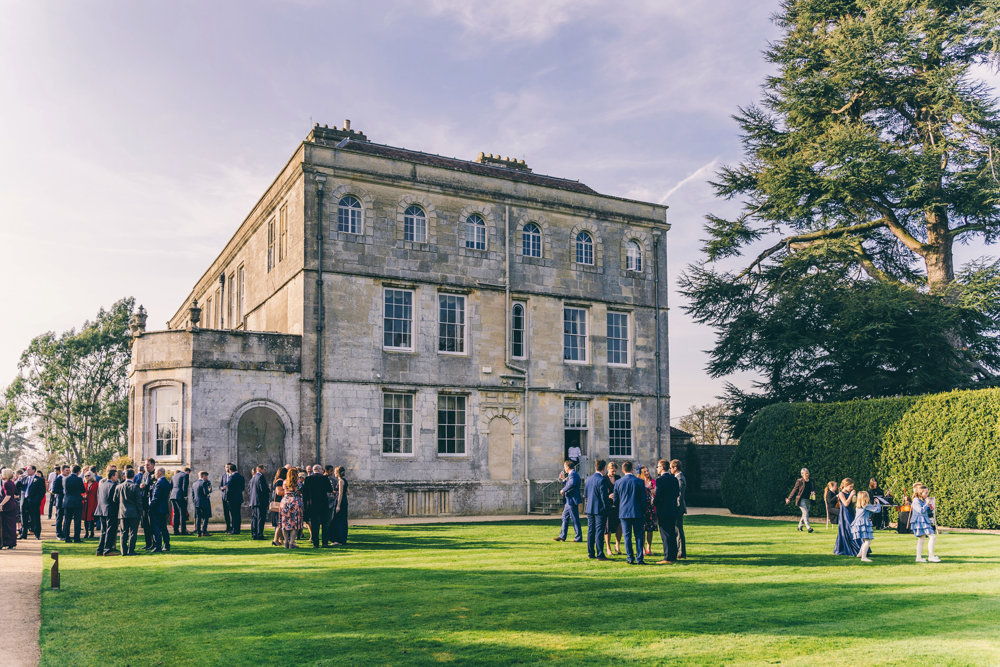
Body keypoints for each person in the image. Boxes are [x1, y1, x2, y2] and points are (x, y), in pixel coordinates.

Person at [613, 461, 648, 565]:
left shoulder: (618, 482)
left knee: (627, 536)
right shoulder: (639, 482)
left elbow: (615, 499)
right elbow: (643, 498)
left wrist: (620, 506)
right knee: (639, 536)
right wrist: (644, 510)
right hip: (637, 511)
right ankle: (639, 558)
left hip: (624, 512)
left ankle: (630, 558)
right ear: (632, 469)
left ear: (623, 470)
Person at [653, 459, 680, 564]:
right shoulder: (674, 479)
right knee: (672, 532)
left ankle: (668, 557)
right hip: (672, 509)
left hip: (663, 510)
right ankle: (673, 555)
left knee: (665, 533)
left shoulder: (660, 480)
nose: (657, 469)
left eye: (658, 467)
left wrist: (653, 501)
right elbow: (677, 493)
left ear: (662, 467)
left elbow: (659, 496)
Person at [583, 459, 610, 560]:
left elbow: (585, 495)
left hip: (589, 508)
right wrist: (607, 508)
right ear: (604, 468)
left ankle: (591, 553)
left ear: (595, 467)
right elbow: (604, 497)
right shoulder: (602, 479)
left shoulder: (588, 479)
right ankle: (600, 554)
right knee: (599, 531)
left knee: (591, 531)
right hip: (599, 509)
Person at [302, 465, 332, 548]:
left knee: (315, 524)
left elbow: (305, 493)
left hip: (313, 504)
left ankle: (315, 543)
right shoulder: (325, 478)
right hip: (323, 503)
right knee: (325, 524)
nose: (323, 470)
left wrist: (306, 505)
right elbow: (329, 489)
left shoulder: (308, 479)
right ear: (319, 470)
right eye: (322, 469)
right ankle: (325, 543)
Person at [910, 482, 940, 563]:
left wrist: (930, 506)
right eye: (925, 493)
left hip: (924, 520)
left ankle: (919, 557)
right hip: (919, 521)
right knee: (931, 537)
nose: (927, 494)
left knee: (922, 539)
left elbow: (927, 511)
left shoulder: (923, 500)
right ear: (920, 492)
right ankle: (930, 556)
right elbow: (920, 511)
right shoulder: (916, 500)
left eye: (927, 493)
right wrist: (926, 504)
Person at [850, 490, 883, 563]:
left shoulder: (859, 506)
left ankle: (860, 554)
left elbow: (869, 512)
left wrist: (873, 505)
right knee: (868, 541)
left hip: (858, 525)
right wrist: (878, 503)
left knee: (866, 540)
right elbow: (877, 510)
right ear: (865, 498)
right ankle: (863, 557)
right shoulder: (866, 505)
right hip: (863, 525)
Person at [553, 460, 582, 542]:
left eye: (565, 466)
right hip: (568, 500)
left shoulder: (573, 474)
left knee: (574, 519)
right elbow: (569, 483)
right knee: (564, 517)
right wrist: (563, 480)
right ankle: (562, 536)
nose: (564, 468)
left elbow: (572, 484)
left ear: (568, 467)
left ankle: (578, 537)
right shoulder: (572, 474)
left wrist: (563, 490)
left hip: (572, 500)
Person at [114, 469, 141, 556]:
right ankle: (131, 550)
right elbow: (138, 501)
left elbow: (115, 499)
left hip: (122, 512)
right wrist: (140, 511)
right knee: (133, 532)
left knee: (123, 532)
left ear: (125, 476)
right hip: (133, 512)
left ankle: (123, 551)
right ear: (133, 476)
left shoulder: (119, 486)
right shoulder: (135, 486)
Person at [833, 478, 861, 556]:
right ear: (845, 485)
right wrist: (851, 495)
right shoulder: (841, 493)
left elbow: (852, 503)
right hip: (845, 514)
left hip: (851, 513)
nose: (851, 488)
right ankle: (852, 549)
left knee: (854, 529)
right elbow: (845, 504)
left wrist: (854, 498)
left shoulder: (849, 493)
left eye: (852, 487)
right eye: (850, 487)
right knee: (849, 530)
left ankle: (859, 549)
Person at [95, 469, 119, 556]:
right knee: (110, 531)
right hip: (110, 510)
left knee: (103, 531)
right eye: (116, 475)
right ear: (112, 476)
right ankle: (107, 550)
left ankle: (100, 549)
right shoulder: (113, 486)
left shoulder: (102, 485)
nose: (117, 477)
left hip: (102, 510)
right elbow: (115, 500)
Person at [279, 467, 303, 549]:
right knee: (295, 523)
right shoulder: (299, 482)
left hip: (285, 502)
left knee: (285, 522)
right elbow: (300, 492)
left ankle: (286, 541)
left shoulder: (285, 482)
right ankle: (292, 542)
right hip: (295, 502)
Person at [135, 458, 156, 550]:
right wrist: (140, 486)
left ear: (153, 465)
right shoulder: (144, 474)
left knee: (152, 524)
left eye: (148, 465)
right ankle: (148, 543)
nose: (146, 466)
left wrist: (146, 486)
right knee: (145, 524)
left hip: (151, 502)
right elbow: (141, 484)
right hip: (144, 502)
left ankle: (154, 543)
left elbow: (154, 487)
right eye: (145, 465)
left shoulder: (155, 475)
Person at [785, 468, 815, 533]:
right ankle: (808, 527)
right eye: (806, 473)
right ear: (802, 474)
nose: (807, 474)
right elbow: (795, 490)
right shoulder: (799, 481)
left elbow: (813, 488)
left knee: (805, 514)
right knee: (805, 512)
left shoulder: (811, 480)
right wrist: (789, 498)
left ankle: (800, 525)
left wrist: (813, 492)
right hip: (801, 499)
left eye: (808, 472)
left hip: (809, 499)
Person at [149, 467, 172, 553]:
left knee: (156, 528)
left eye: (155, 472)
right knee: (163, 528)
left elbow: (156, 497)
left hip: (157, 508)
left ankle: (158, 545)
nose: (154, 474)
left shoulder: (159, 483)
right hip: (164, 508)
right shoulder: (166, 482)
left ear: (159, 473)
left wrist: (150, 506)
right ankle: (166, 544)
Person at [18, 466, 44, 540]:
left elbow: (42, 492)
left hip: (34, 502)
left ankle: (37, 534)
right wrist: (19, 479)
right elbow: (17, 487)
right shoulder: (24, 479)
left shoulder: (39, 479)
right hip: (24, 501)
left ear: (34, 470)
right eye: (27, 470)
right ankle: (23, 534)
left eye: (29, 469)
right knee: (23, 518)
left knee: (35, 518)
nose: (27, 471)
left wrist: (37, 500)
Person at [62, 465, 85, 543]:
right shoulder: (79, 479)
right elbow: (83, 489)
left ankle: (66, 537)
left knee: (67, 520)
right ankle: (76, 538)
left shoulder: (65, 479)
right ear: (78, 472)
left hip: (67, 501)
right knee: (77, 521)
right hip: (76, 501)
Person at [638, 465, 657, 556]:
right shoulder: (640, 482)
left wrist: (655, 493)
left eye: (647, 471)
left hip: (652, 509)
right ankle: (642, 548)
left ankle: (649, 548)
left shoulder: (653, 482)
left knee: (650, 529)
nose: (647, 473)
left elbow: (657, 494)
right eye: (644, 471)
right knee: (642, 529)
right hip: (642, 509)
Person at [670, 459, 688, 559]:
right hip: (678, 507)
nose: (670, 470)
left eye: (671, 468)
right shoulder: (678, 477)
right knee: (677, 530)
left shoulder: (679, 478)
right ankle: (679, 550)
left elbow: (680, 495)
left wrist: (676, 507)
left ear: (675, 468)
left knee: (678, 530)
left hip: (678, 508)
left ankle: (681, 552)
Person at [604, 461, 622, 555]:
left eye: (615, 471)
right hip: (608, 506)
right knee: (608, 527)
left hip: (618, 505)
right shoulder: (604, 479)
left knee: (619, 526)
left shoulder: (618, 478)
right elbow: (601, 493)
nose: (614, 473)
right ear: (608, 469)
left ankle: (617, 545)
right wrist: (608, 496)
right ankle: (608, 547)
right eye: (612, 471)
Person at [248, 465, 270, 540]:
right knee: (261, 518)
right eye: (264, 469)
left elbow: (250, 490)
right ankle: (259, 534)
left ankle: (254, 534)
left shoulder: (253, 478)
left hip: (253, 501)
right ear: (260, 469)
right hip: (260, 501)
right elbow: (263, 489)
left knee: (254, 518)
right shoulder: (260, 477)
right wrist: (268, 489)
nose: (265, 471)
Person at [0, 468, 19, 549]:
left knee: (7, 525)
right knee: (11, 525)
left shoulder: (6, 483)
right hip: (12, 505)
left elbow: (8, 496)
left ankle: (8, 542)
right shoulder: (12, 483)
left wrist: (1, 504)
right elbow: (15, 495)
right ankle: (11, 542)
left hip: (8, 506)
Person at [331, 466, 350, 546]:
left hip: (340, 502)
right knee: (342, 520)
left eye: (335, 472)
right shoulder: (345, 480)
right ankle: (342, 539)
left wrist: (338, 505)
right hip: (344, 501)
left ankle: (338, 540)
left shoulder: (340, 481)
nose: (334, 474)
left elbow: (341, 493)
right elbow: (348, 492)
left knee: (337, 520)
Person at [170, 467, 190, 535]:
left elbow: (171, 486)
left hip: (173, 495)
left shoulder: (174, 476)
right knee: (182, 513)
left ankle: (175, 530)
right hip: (180, 495)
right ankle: (183, 531)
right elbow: (185, 486)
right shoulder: (185, 475)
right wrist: (185, 496)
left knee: (176, 513)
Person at [225, 464, 245, 534]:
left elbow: (228, 489)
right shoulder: (241, 477)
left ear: (230, 470)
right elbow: (243, 488)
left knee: (233, 515)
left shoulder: (231, 477)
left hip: (232, 499)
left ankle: (234, 530)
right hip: (238, 497)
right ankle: (238, 529)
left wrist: (227, 498)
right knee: (238, 514)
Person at [192, 471, 212, 537]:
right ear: (203, 476)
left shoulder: (194, 483)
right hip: (204, 502)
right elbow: (206, 493)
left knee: (198, 517)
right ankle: (204, 531)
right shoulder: (203, 483)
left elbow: (193, 495)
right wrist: (209, 489)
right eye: (206, 476)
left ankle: (198, 532)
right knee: (205, 517)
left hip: (196, 502)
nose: (207, 477)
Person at [52, 465, 69, 538]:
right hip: (60, 500)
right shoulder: (58, 479)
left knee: (67, 517)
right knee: (59, 517)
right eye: (66, 470)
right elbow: (54, 490)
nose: (68, 472)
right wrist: (63, 491)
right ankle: (58, 533)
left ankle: (65, 533)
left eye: (69, 470)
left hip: (68, 501)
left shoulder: (69, 478)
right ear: (62, 471)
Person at [82, 471, 99, 539]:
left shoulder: (96, 484)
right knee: (85, 518)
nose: (87, 477)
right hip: (85, 502)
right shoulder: (84, 484)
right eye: (86, 476)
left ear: (91, 476)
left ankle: (92, 532)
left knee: (92, 518)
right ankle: (86, 533)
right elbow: (82, 492)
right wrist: (83, 495)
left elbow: (97, 494)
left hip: (93, 502)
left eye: (88, 475)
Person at [220, 464, 234, 533]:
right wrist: (222, 488)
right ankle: (228, 527)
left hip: (231, 497)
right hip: (224, 496)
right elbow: (221, 485)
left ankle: (233, 527)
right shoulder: (224, 476)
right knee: (226, 513)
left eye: (227, 467)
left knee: (232, 512)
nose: (226, 468)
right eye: (225, 467)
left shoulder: (233, 476)